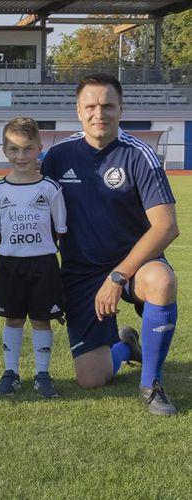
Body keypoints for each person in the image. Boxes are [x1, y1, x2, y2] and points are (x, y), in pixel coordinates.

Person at [41, 73, 179, 416]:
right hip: (82, 274)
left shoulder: (139, 155)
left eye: (107, 105)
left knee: (162, 281)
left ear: (121, 109)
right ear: (78, 111)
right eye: (90, 106)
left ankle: (151, 384)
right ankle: (126, 346)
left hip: (134, 266)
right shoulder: (58, 156)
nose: (98, 113)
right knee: (92, 378)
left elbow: (166, 227)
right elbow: (42, 221)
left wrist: (118, 277)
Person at [0, 118, 66, 398]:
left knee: (42, 320)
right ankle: (11, 373)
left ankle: (42, 374)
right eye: (14, 149)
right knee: (13, 319)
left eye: (28, 149)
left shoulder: (50, 188)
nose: (21, 156)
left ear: (39, 149)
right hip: (10, 264)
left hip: (43, 264)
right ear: (4, 151)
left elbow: (60, 229)